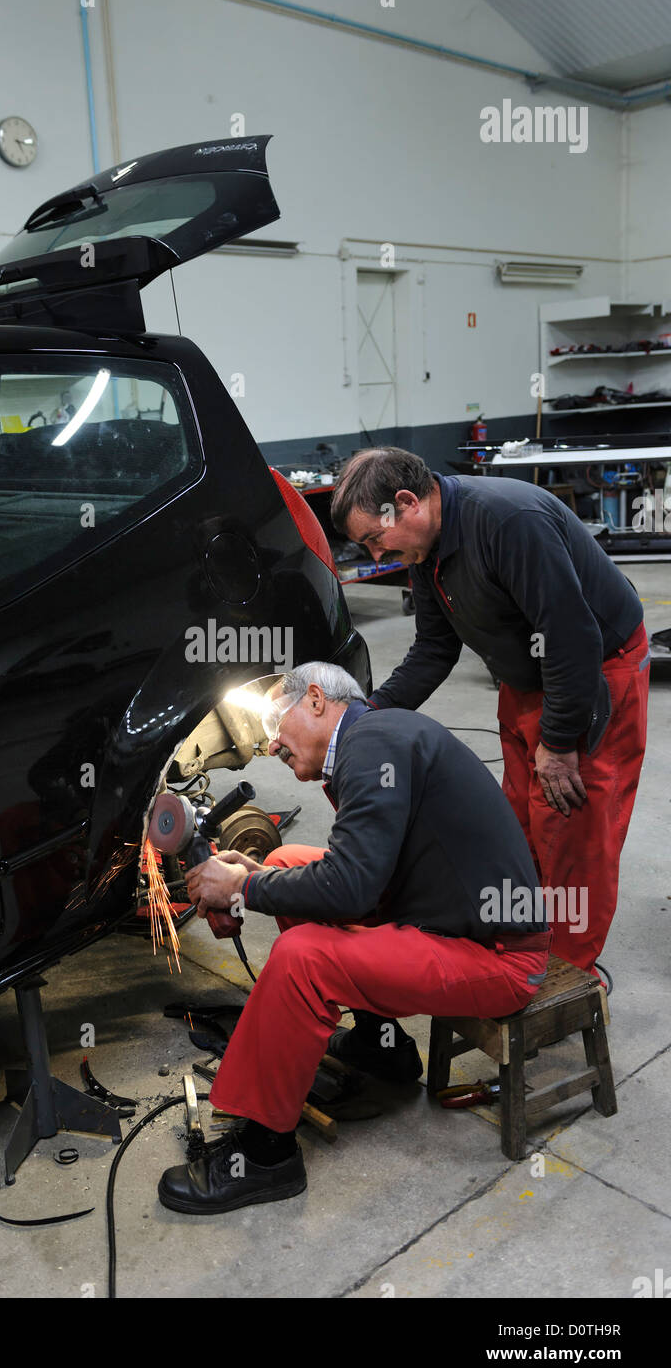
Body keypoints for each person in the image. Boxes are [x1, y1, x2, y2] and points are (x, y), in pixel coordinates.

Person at [157, 663, 550, 1215]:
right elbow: (364, 876)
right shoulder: (375, 737)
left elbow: (351, 890)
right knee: (286, 859)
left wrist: (245, 886)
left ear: (316, 700)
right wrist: (260, 877)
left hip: (499, 956)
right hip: (440, 912)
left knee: (303, 959)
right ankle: (378, 1046)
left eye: (276, 723)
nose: (270, 744)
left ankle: (267, 1155)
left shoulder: (374, 746)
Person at [330, 448, 649, 975]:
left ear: (407, 502)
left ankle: (567, 976)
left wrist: (562, 740)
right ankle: (522, 941)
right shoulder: (425, 549)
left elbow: (571, 638)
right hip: (529, 673)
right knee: (515, 822)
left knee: (573, 834)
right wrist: (365, 717)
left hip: (594, 672)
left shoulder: (508, 521)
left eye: (375, 538)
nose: (378, 553)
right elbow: (434, 648)